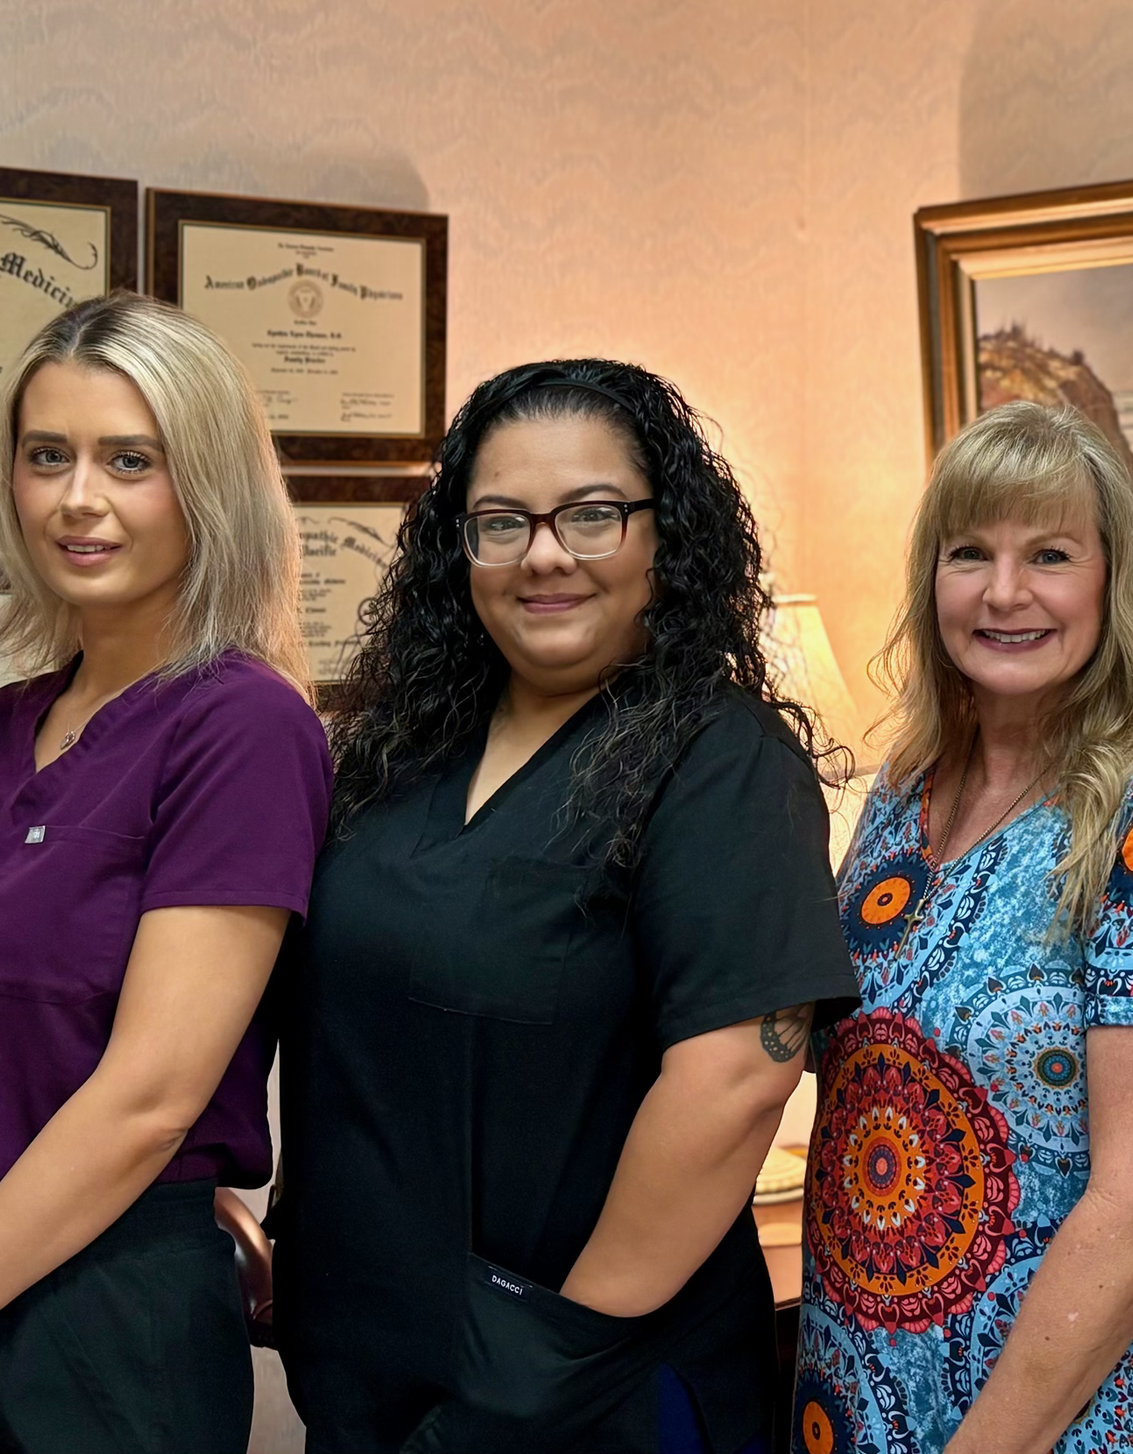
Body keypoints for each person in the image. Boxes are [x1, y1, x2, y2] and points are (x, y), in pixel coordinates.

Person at [274, 359, 857, 1454]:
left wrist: (547, 1359)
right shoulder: (400, 754)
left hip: (585, 1389)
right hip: (366, 1371)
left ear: (662, 536)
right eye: (501, 521)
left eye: (592, 514)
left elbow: (736, 1078)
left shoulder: (718, 757)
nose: (544, 553)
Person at [0, 291, 328, 1454]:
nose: (79, 497)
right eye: (47, 455)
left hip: (98, 1313)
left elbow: (147, 1101)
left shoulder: (244, 729)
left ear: (206, 484)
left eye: (132, 460)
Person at [795, 401, 1133, 1454]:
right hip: (863, 1379)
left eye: (1049, 553)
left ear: (1111, 580)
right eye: (970, 552)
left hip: (1065, 1410)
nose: (1004, 591)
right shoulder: (901, 793)